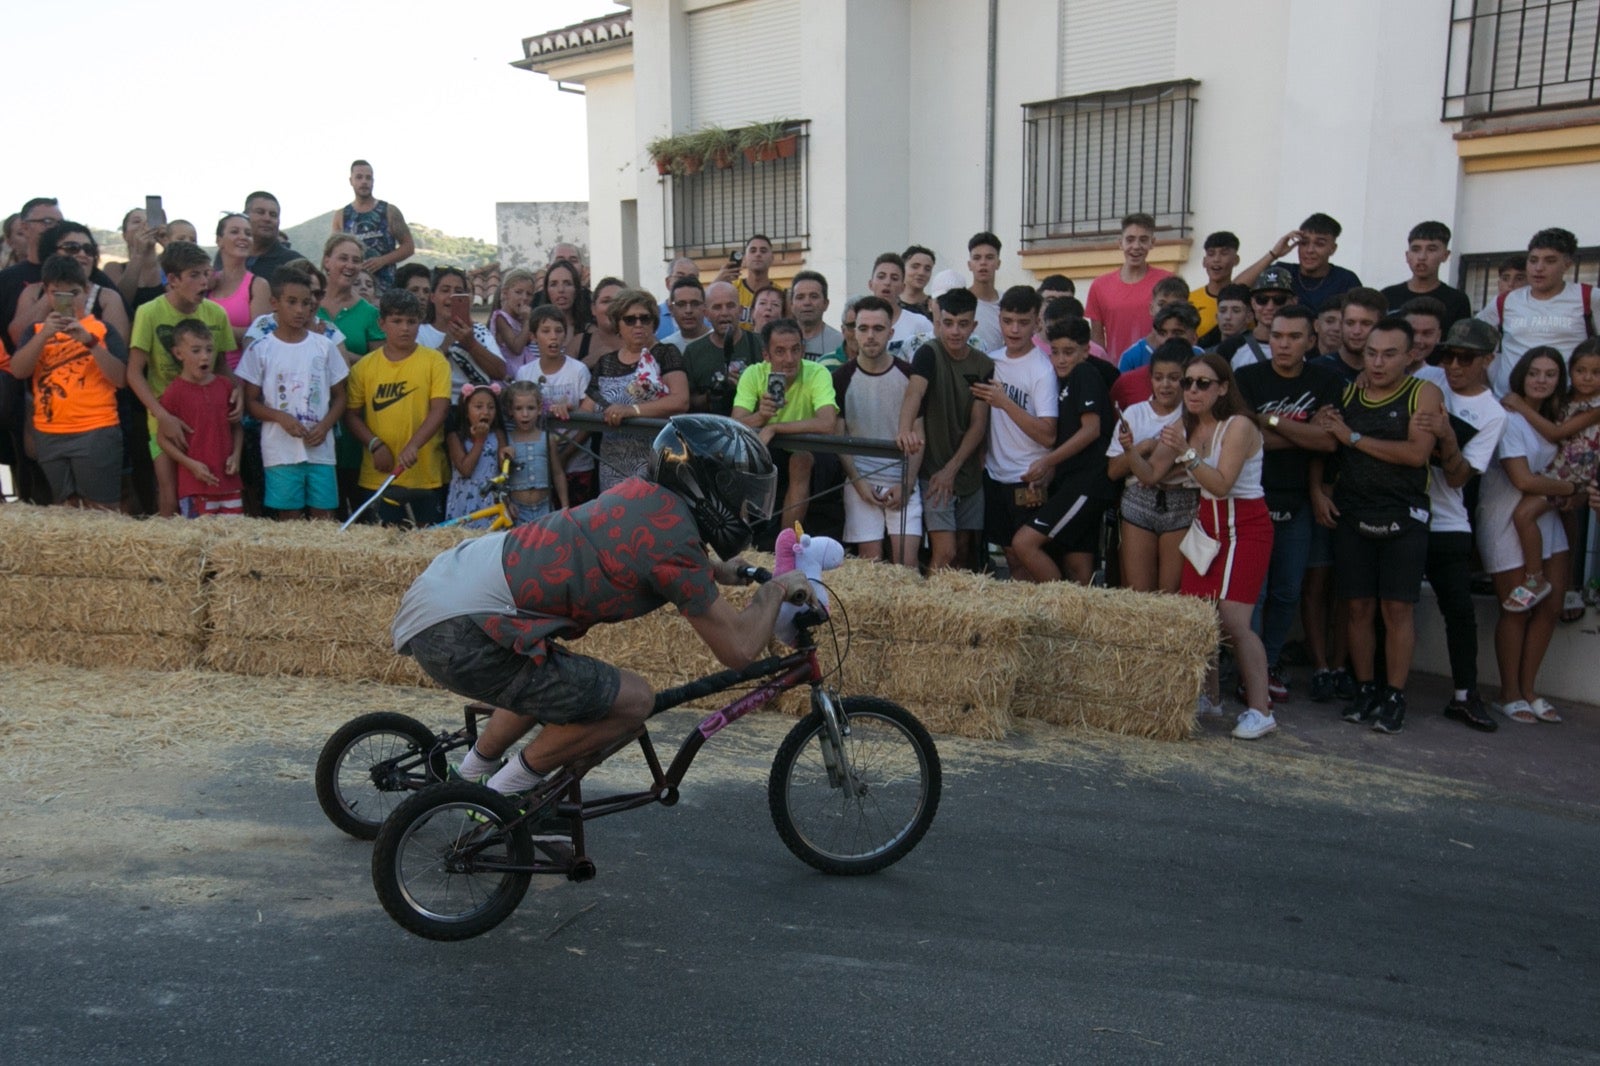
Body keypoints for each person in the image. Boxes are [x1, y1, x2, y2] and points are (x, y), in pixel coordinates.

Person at [391, 414, 810, 809]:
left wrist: (713, 569)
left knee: (555, 678)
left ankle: (471, 775)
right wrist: (774, 590)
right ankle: (502, 795)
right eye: (741, 497)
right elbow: (738, 650)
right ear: (709, 487)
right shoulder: (673, 541)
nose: (745, 511)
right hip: (465, 631)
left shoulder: (644, 495)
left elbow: (635, 551)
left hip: (446, 598)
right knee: (634, 700)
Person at [1312, 316, 1444, 735]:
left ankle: (1395, 695)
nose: (1378, 363)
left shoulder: (1423, 393)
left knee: (1397, 609)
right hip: (1352, 512)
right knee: (1357, 607)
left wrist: (1352, 437)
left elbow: (1416, 455)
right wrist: (1318, 490)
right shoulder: (1347, 393)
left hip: (1404, 514)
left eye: (1389, 354)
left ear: (1410, 355)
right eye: (1371, 353)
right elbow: (1324, 447)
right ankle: (1366, 687)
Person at [1138, 353, 1275, 738]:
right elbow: (1150, 474)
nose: (1192, 390)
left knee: (1233, 620)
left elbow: (1222, 484)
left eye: (1203, 383)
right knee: (1199, 615)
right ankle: (1209, 697)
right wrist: (1130, 448)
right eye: (1188, 383)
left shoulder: (1239, 425)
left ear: (1223, 388)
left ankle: (1261, 709)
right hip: (1209, 525)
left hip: (1245, 526)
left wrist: (1185, 452)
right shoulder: (1186, 424)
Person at [1233, 304, 1340, 704]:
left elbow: (1328, 442)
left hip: (1298, 501)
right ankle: (1248, 671)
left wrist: (1271, 421)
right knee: (1254, 593)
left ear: (1311, 341)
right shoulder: (1248, 378)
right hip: (1252, 498)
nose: (1283, 344)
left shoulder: (1326, 380)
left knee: (1287, 591)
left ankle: (1271, 664)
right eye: (1277, 336)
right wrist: (1303, 431)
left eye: (1294, 337)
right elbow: (1246, 438)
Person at [1476, 347, 1582, 724]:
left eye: (1550, 374)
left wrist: (1568, 492)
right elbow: (1522, 480)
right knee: (1517, 608)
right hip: (1506, 521)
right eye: (1534, 372)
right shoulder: (1508, 418)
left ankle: (1529, 690)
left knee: (1549, 607)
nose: (1541, 380)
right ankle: (1508, 694)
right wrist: (1571, 489)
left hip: (1547, 519)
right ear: (1521, 375)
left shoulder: (1557, 419)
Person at [1412, 319, 1507, 731]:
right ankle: (1376, 686)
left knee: (1460, 611)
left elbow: (1458, 478)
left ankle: (1466, 695)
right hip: (1400, 511)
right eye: (1448, 354)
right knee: (1387, 605)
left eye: (1465, 357)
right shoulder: (1426, 380)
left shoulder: (1493, 413)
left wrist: (1448, 437)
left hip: (1448, 520)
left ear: (1487, 360)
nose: (1452, 365)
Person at [0, 254, 126, 509]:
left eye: (74, 293)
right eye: (57, 294)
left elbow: (121, 379)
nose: (66, 300)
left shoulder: (101, 330)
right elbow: (19, 370)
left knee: (101, 508)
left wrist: (90, 342)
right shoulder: (35, 331)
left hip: (96, 428)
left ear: (86, 291)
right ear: (46, 294)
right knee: (63, 507)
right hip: (49, 431)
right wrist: (43, 335)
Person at [127, 241, 238, 518]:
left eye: (206, 273)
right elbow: (134, 372)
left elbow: (222, 366)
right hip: (166, 414)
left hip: (208, 416)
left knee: (213, 488)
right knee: (169, 497)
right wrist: (162, 415)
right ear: (173, 280)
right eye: (194, 275)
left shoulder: (216, 313)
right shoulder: (149, 312)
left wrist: (237, 394)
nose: (204, 282)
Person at [236, 267, 348, 521]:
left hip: (321, 449)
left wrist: (326, 426)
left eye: (306, 303)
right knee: (289, 517)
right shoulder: (261, 349)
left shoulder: (324, 346)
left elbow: (340, 396)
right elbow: (251, 402)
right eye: (292, 302)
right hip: (280, 450)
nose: (300, 310)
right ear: (274, 303)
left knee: (323, 516)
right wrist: (280, 417)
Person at [1010, 317, 1116, 585]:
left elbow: (1091, 430)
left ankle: (1059, 604)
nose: (1060, 359)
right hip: (1072, 480)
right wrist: (1051, 471)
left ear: (1086, 351)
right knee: (1078, 567)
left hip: (1087, 482)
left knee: (1024, 543)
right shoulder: (1063, 382)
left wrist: (1047, 462)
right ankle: (1078, 610)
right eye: (1055, 352)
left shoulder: (1085, 373)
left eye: (1068, 352)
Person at [1499, 339, 1600, 615]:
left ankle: (1535, 579)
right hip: (1560, 467)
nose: (1587, 378)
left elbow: (1556, 434)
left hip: (1572, 472)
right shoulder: (1564, 400)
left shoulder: (1596, 406)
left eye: (1596, 372)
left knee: (1524, 514)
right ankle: (1567, 587)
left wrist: (1520, 405)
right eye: (1581, 370)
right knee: (1566, 518)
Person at [896, 288, 992, 571]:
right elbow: (914, 393)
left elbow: (979, 423)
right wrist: (904, 429)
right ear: (938, 322)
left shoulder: (983, 364)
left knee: (964, 552)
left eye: (963, 324)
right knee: (945, 551)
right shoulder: (929, 353)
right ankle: (931, 599)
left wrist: (953, 468)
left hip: (967, 471)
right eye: (948, 323)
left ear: (973, 326)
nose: (955, 331)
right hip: (932, 470)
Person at [970, 286, 1058, 579]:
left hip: (1028, 477)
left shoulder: (1042, 369)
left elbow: (1048, 434)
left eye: (1023, 322)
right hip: (995, 475)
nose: (1014, 329)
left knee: (1027, 554)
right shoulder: (991, 361)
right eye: (1008, 321)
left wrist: (1005, 403)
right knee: (1009, 555)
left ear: (1037, 323)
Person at [342, 290, 451, 526]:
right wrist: (375, 444)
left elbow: (440, 409)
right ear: (382, 324)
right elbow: (351, 415)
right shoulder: (365, 367)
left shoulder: (435, 361)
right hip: (379, 478)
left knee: (428, 543)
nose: (405, 328)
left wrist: (414, 445)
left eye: (411, 321)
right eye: (397, 321)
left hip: (426, 476)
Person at [833, 295, 922, 567]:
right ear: (853, 332)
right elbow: (839, 438)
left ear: (890, 333)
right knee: (869, 566)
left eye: (878, 328)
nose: (870, 336)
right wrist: (858, 483)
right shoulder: (840, 378)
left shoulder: (910, 375)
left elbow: (920, 435)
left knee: (906, 566)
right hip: (860, 479)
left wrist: (906, 484)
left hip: (903, 477)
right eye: (863, 328)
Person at [732, 318, 839, 531]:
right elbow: (734, 424)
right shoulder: (753, 374)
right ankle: (742, 538)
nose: (789, 359)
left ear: (803, 350)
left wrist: (774, 427)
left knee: (800, 460)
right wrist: (761, 417)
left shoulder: (818, 372)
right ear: (766, 355)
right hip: (771, 450)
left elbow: (828, 423)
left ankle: (786, 543)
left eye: (795, 350)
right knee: (739, 458)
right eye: (780, 352)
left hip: (812, 453)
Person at [1107, 338, 1193, 593]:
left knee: (1171, 595)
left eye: (1174, 378)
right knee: (1140, 594)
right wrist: (1142, 447)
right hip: (1138, 502)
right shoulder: (1134, 413)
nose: (1165, 385)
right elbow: (1113, 471)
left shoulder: (1194, 414)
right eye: (1158, 377)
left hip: (1182, 503)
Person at [587, 289, 690, 489]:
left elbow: (681, 401)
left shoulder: (666, 353)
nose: (638, 324)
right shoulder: (605, 363)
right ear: (617, 323)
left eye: (645, 318)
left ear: (654, 322)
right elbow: (588, 407)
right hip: (612, 467)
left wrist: (632, 411)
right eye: (630, 320)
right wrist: (563, 410)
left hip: (655, 463)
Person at [1480, 227, 1595, 396]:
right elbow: (1472, 345)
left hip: (1565, 404)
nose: (1539, 268)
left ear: (1567, 264)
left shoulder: (1588, 297)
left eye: (1550, 261)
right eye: (1533, 260)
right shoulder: (1505, 301)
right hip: (1508, 403)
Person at [157, 319, 244, 518]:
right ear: (178, 353)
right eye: (196, 351)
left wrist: (236, 455)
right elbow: (162, 439)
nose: (205, 356)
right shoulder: (174, 392)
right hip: (195, 487)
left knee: (235, 536)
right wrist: (191, 465)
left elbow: (236, 427)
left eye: (209, 350)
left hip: (229, 483)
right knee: (199, 536)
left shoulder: (225, 386)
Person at [513, 305, 596, 504]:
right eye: (546, 331)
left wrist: (565, 455)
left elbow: (589, 420)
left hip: (577, 463)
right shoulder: (525, 373)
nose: (553, 337)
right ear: (533, 337)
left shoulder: (578, 370)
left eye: (559, 331)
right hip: (538, 464)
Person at [1085, 213, 1173, 357]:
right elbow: (1097, 340)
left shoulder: (1167, 281)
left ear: (1152, 243)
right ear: (1121, 243)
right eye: (1130, 240)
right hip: (1116, 368)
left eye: (1143, 240)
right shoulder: (1099, 286)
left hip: (1160, 366)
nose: (1136, 246)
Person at [419, 267, 506, 403]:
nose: (451, 296)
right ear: (432, 297)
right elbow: (419, 374)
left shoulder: (479, 331)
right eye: (445, 290)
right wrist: (446, 344)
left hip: (473, 408)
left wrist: (471, 344)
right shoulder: (420, 332)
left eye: (458, 292)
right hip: (433, 403)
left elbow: (500, 372)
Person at [333, 160, 414, 292]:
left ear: (373, 181)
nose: (364, 182)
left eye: (368, 178)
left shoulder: (389, 211)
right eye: (359, 177)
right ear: (351, 181)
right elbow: (335, 253)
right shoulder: (342, 215)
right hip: (352, 289)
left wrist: (383, 260)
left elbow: (408, 247)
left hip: (385, 288)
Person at [1256, 213, 1362, 313]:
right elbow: (1245, 287)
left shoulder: (1345, 280)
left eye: (1319, 244)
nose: (1309, 250)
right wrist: (1274, 254)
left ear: (1333, 249)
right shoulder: (1283, 272)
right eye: (1304, 243)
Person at [683, 280, 761, 416]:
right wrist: (712, 395)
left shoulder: (760, 344)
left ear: (740, 310)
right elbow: (687, 401)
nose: (724, 312)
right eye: (717, 307)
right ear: (706, 313)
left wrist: (747, 387)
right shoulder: (693, 352)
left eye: (730, 306)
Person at [498, 378, 569, 523]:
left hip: (545, 508)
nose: (525, 414)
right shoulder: (507, 441)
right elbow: (501, 477)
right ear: (511, 410)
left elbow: (557, 473)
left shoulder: (547, 438)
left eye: (530, 408)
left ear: (539, 409)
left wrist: (565, 505)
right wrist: (507, 503)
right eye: (519, 408)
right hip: (517, 510)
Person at [209, 214, 272, 371]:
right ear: (219, 240)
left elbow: (261, 336)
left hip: (242, 374)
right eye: (235, 232)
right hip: (205, 374)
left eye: (248, 233)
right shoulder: (207, 283)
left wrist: (213, 329)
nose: (243, 237)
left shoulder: (258, 285)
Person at [1381, 221, 1472, 329]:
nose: (1422, 257)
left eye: (1431, 249)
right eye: (1415, 249)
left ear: (1445, 255)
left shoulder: (1457, 301)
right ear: (1407, 255)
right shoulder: (1388, 296)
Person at [445, 382, 506, 527]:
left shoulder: (498, 434)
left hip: (490, 500)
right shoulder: (455, 437)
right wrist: (480, 440)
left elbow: (502, 471)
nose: (486, 412)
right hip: (464, 500)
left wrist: (508, 454)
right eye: (478, 407)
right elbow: (465, 470)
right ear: (466, 411)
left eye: (491, 407)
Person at [319, 236, 386, 360]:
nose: (350, 265)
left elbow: (379, 363)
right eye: (343, 258)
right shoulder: (309, 302)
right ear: (327, 261)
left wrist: (338, 353)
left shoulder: (369, 313)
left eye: (356, 261)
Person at [1221, 265, 1295, 370]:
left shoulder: (1304, 346)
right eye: (1262, 299)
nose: (1270, 307)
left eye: (1279, 299)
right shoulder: (1230, 348)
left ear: (1293, 302)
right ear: (1253, 303)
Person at [1312, 287, 1387, 385]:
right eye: (1350, 323)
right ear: (1342, 324)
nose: (1356, 331)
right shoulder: (1315, 371)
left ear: (1381, 326)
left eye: (1366, 323)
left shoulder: (1394, 373)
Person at [867, 253, 935, 358]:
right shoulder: (859, 322)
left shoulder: (920, 323)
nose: (887, 282)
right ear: (870, 284)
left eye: (894, 278)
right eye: (881, 277)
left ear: (903, 287)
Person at [1117, 286, 1197, 371]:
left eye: (1177, 333)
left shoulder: (1201, 358)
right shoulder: (1132, 359)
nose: (1168, 339)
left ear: (1194, 338)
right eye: (1162, 333)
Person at [238, 192, 304, 281]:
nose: (267, 219)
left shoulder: (293, 264)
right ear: (245, 216)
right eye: (260, 212)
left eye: (273, 215)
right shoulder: (228, 257)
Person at [489, 268, 541, 377]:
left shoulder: (520, 319)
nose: (524, 298)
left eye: (529, 294)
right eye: (518, 292)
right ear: (505, 293)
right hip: (510, 374)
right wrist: (527, 321)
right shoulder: (500, 318)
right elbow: (516, 348)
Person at [724, 234, 779, 329]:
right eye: (753, 251)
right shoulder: (731, 290)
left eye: (763, 251)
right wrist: (717, 282)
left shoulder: (780, 294)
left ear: (772, 258)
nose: (758, 254)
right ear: (745, 258)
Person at [790, 271, 843, 365]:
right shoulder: (780, 340)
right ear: (791, 305)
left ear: (825, 304)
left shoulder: (840, 343)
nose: (807, 302)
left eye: (814, 297)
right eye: (800, 297)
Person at [967, 232, 1004, 352]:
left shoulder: (1007, 302)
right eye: (977, 258)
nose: (983, 263)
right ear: (969, 265)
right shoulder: (961, 301)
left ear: (998, 263)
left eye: (989, 257)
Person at [661, 277, 712, 353]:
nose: (688, 310)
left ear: (705, 307)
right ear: (671, 309)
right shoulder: (665, 348)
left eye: (695, 304)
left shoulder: (720, 342)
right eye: (681, 304)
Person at [655, 257, 701, 340]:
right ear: (668, 282)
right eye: (680, 277)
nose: (685, 282)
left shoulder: (706, 317)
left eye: (692, 278)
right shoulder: (654, 316)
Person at [1401, 296, 1447, 370]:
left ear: (1438, 336)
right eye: (1412, 332)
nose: (1417, 340)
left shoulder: (1443, 376)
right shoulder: (1380, 372)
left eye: (1427, 333)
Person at [1204, 283, 1253, 353]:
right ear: (1216, 317)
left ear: (1249, 317)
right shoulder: (1205, 354)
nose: (1228, 317)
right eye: (1223, 310)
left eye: (1236, 311)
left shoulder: (1261, 350)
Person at [901, 245, 937, 319]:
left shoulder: (935, 306)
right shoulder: (890, 303)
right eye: (915, 267)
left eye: (927, 269)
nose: (921, 273)